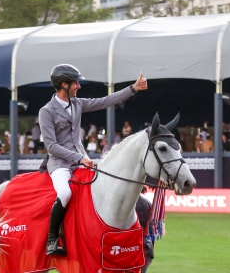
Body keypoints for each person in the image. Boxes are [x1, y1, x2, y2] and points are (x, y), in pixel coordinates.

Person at [39, 64, 148, 255]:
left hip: (82, 159)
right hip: (60, 164)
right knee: (64, 193)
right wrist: (79, 157)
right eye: (75, 83)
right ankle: (52, 240)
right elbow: (52, 147)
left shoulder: (78, 104)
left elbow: (105, 100)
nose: (78, 87)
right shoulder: (46, 111)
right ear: (64, 84)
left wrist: (133, 89)